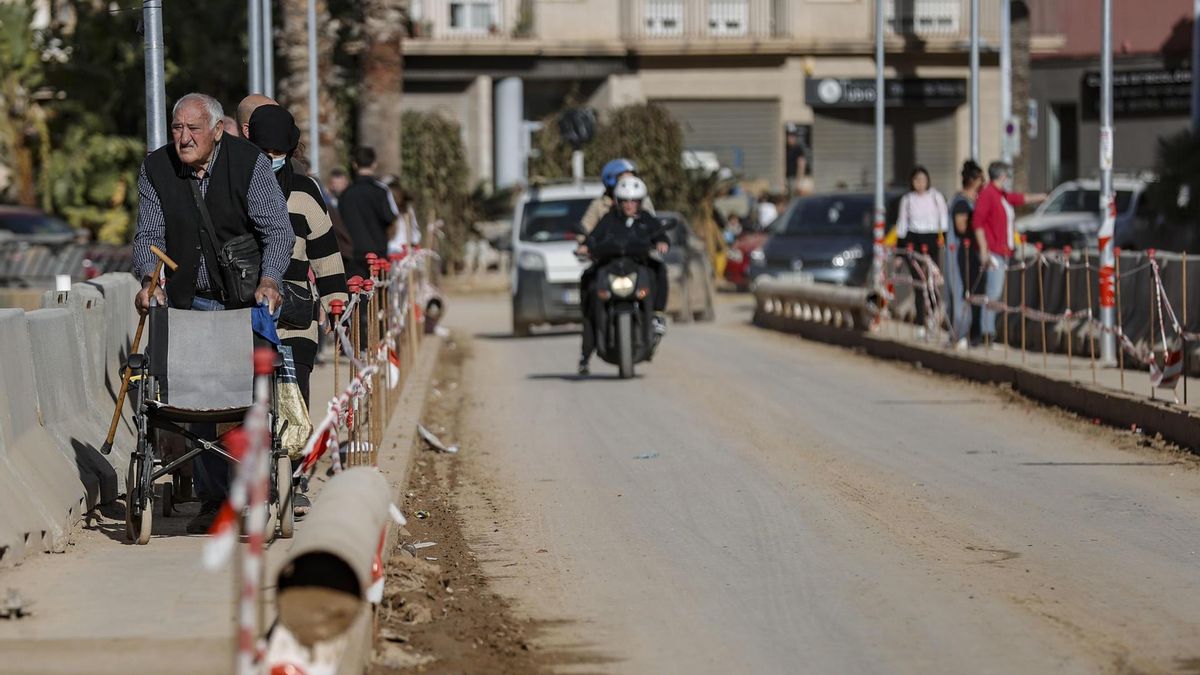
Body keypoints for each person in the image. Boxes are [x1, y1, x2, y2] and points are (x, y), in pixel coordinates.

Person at [132, 92, 292, 534]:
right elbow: (148, 235)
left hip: (243, 301)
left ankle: (252, 487)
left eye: (193, 129)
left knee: (247, 398)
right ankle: (213, 500)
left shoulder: (248, 163)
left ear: (218, 130)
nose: (183, 139)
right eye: (177, 128)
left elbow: (277, 231)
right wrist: (150, 280)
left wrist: (270, 280)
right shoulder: (156, 169)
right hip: (190, 299)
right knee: (199, 399)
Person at [246, 103, 348, 404]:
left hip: (295, 319)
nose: (271, 160)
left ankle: (290, 452)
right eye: (264, 153)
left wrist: (334, 302)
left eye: (277, 154)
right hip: (246, 316)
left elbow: (326, 251)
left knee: (294, 405)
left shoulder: (305, 191)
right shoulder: (236, 187)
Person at [576, 176, 669, 375]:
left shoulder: (646, 219)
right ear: (618, 201)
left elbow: (660, 233)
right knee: (588, 281)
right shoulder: (609, 219)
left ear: (640, 202)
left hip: (637, 266)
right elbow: (594, 237)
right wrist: (585, 246)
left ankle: (657, 315)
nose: (629, 205)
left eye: (633, 201)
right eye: (625, 201)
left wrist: (662, 241)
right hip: (611, 267)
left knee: (660, 271)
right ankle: (589, 330)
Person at [972, 161, 1047, 345]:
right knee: (993, 293)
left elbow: (1019, 198)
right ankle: (986, 333)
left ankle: (989, 331)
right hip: (993, 252)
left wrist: (1042, 197)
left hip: (1004, 251)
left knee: (996, 293)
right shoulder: (988, 194)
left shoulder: (1001, 195)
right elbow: (978, 223)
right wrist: (984, 250)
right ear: (1002, 176)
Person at [895, 166, 949, 338]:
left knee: (932, 281)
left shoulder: (936, 197)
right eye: (916, 180)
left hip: (931, 239)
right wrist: (899, 252)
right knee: (919, 283)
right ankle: (920, 322)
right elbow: (902, 224)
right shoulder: (908, 199)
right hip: (914, 240)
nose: (920, 184)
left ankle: (932, 317)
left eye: (923, 180)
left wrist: (944, 238)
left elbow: (944, 218)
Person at [338, 146, 400, 278]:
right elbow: (390, 218)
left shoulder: (345, 194)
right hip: (378, 253)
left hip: (353, 254)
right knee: (379, 294)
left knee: (358, 294)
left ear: (354, 164)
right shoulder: (381, 192)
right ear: (374, 164)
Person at [946, 160, 985, 348]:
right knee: (962, 293)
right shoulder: (962, 202)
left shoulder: (969, 201)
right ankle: (961, 333)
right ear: (972, 180)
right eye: (980, 178)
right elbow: (961, 227)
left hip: (969, 253)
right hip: (961, 254)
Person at [579, 158, 656, 235]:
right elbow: (585, 229)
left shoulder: (643, 201)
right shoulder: (600, 205)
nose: (629, 184)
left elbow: (653, 226)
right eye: (624, 181)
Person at [386, 184, 422, 255]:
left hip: (404, 249)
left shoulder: (408, 211)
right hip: (395, 249)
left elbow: (415, 233)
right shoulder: (391, 212)